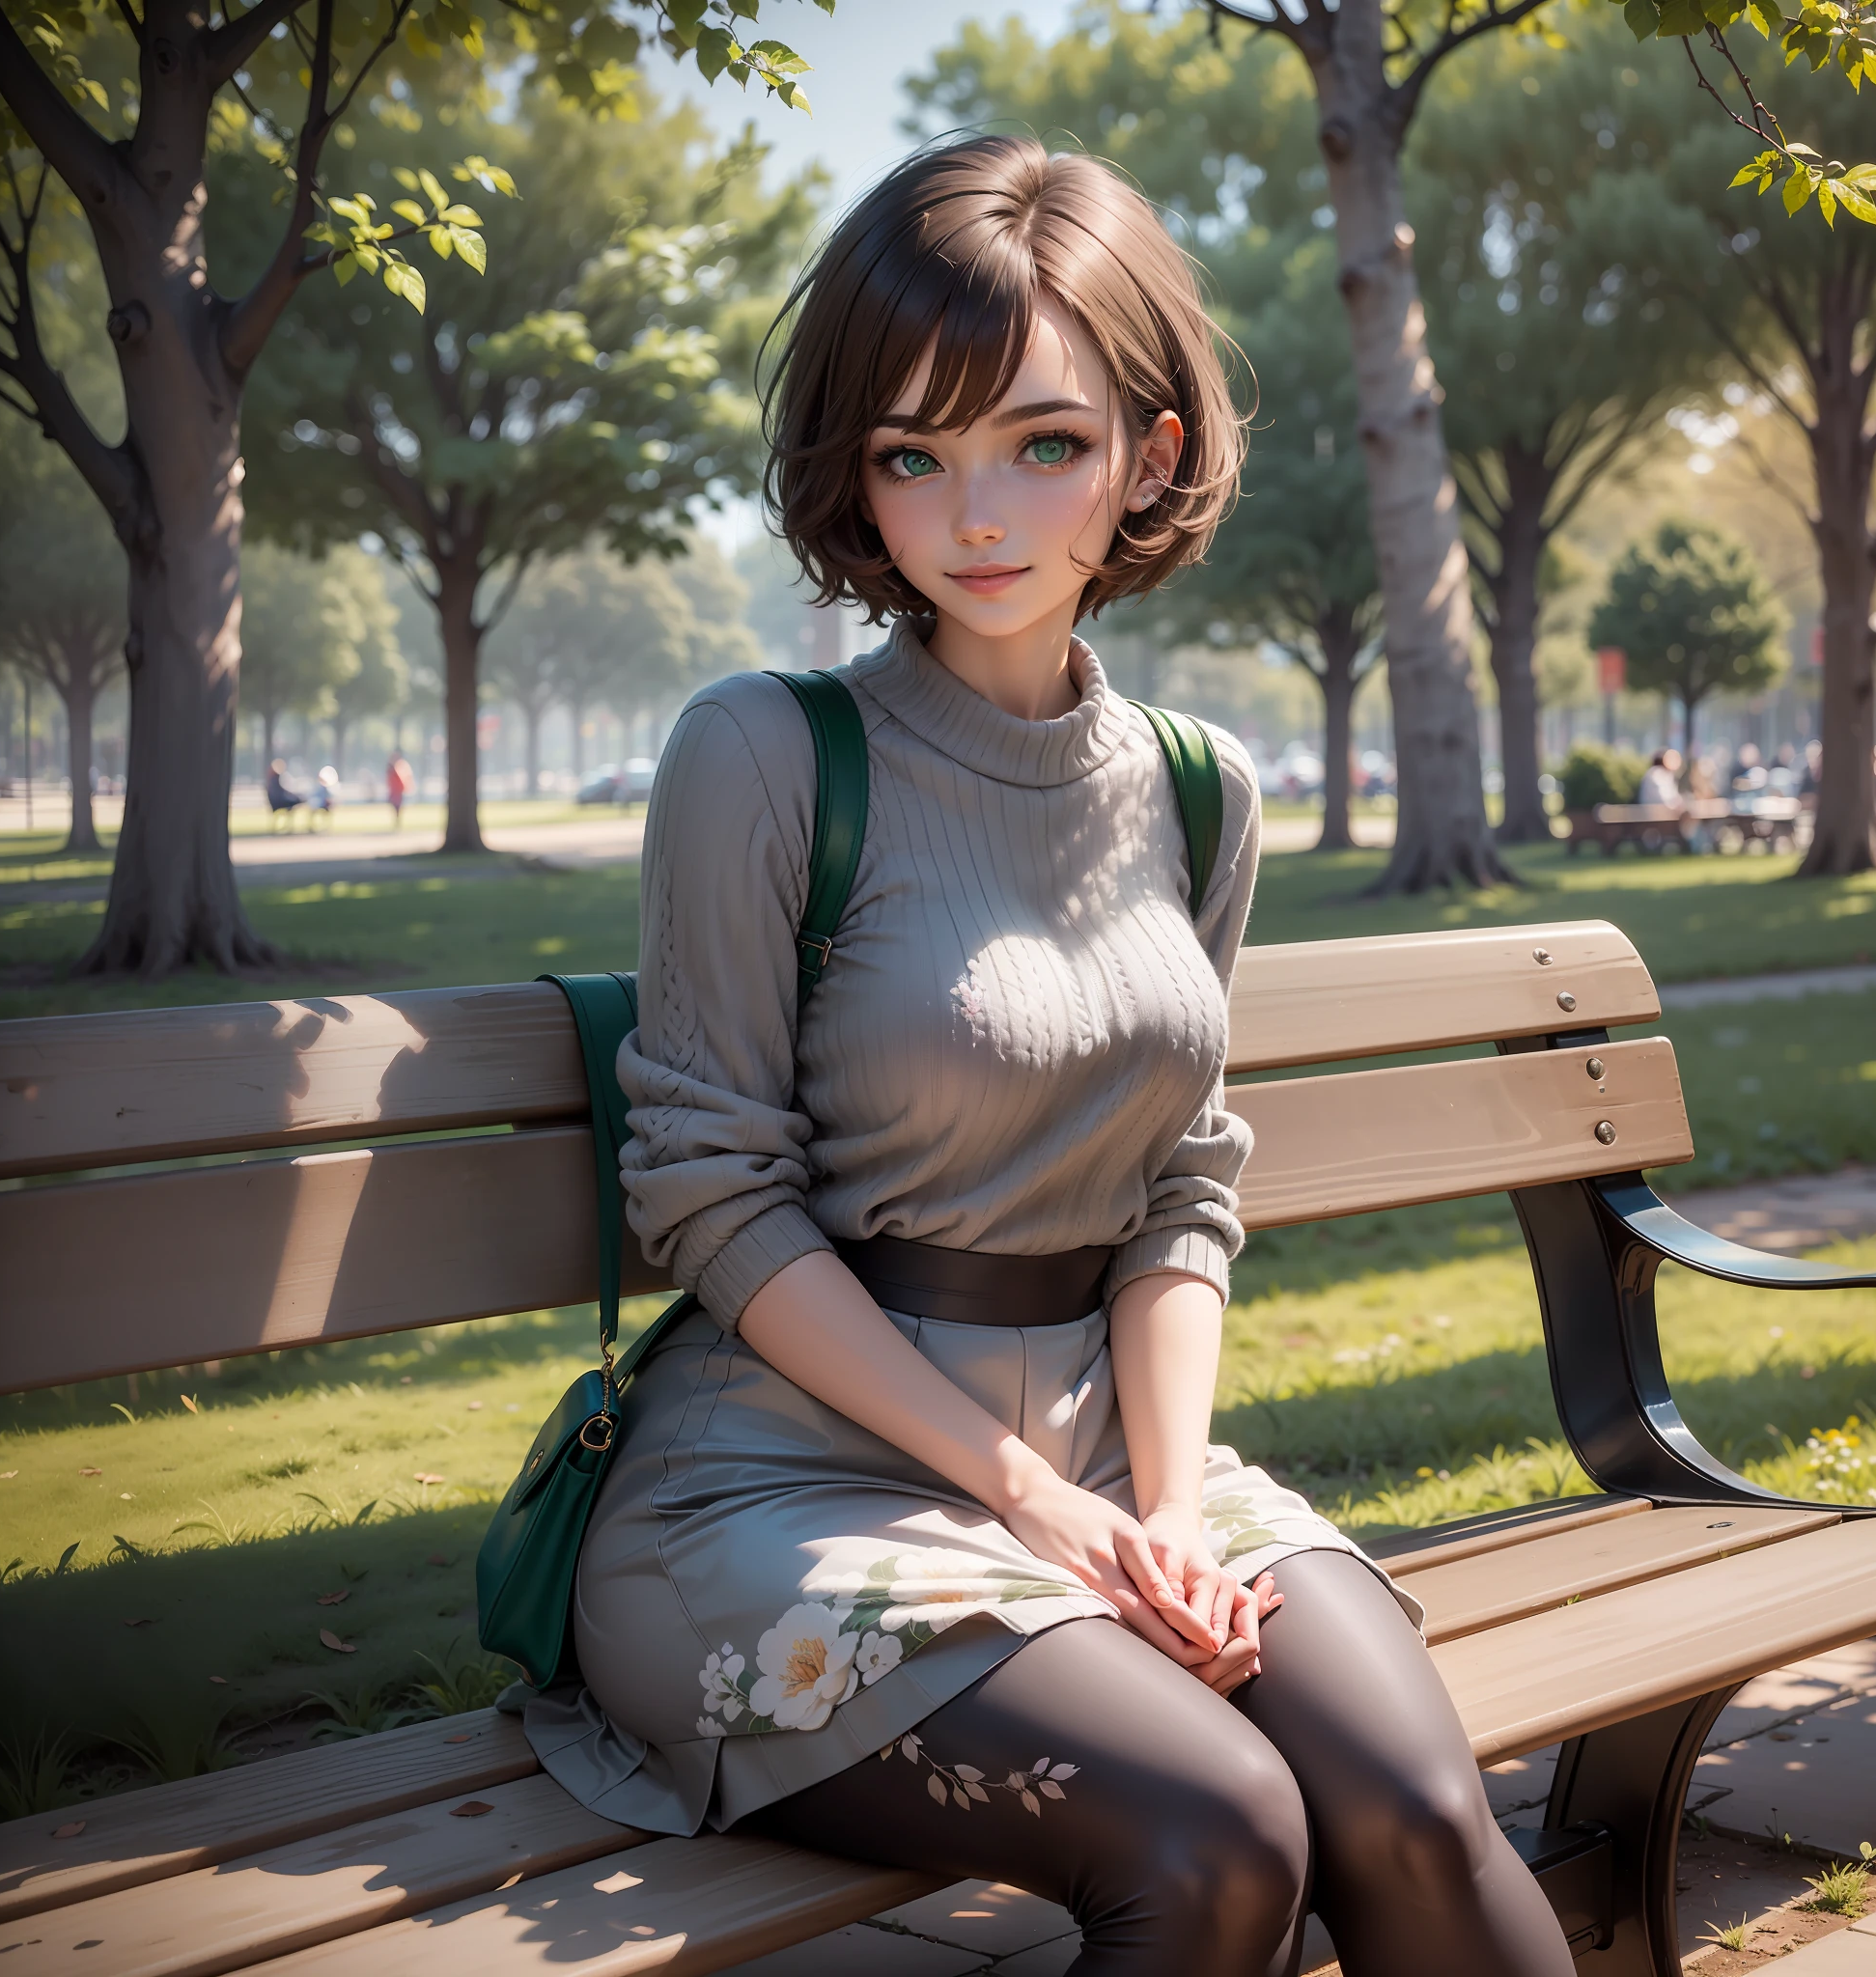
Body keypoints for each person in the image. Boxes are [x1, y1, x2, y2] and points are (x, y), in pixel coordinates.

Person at [526, 138, 1574, 1977]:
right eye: (910, 455)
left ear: (1150, 452)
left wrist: (1156, 1514)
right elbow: (706, 1188)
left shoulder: (1194, 786)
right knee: (1218, 1833)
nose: (976, 514)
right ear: (855, 475)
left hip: (1112, 1456)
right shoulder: (764, 756)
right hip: (784, 1487)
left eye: (1042, 442)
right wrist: (1042, 1509)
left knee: (1410, 1809)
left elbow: (1184, 1179)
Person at [265, 759, 303, 830]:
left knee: (295, 800)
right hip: (279, 802)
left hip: (276, 802)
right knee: (297, 801)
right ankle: (289, 825)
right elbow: (281, 792)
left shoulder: (271, 780)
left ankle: (288, 825)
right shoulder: (276, 779)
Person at [385, 749, 414, 827]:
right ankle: (397, 821)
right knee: (396, 806)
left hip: (398, 791)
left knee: (398, 807)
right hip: (395, 791)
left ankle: (397, 821)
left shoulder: (399, 767)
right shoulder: (392, 769)